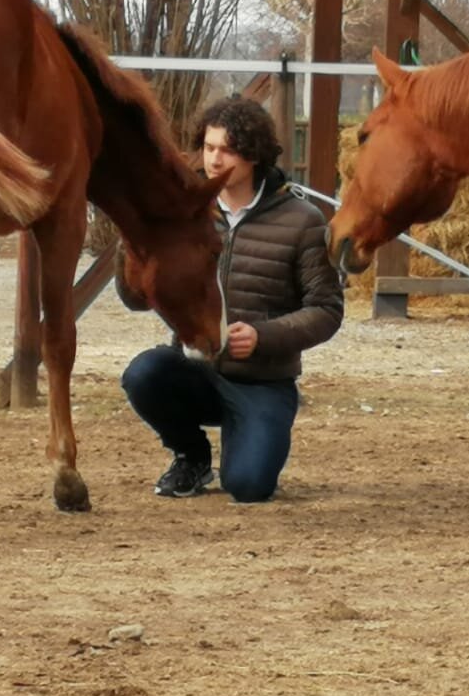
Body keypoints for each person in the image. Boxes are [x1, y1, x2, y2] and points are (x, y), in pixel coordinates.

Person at [119, 95, 342, 503]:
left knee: (248, 487)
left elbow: (327, 310)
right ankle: (191, 455)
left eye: (227, 150)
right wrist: (132, 239)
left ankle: (254, 436)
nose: (214, 160)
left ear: (254, 154)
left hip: (264, 382)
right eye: (208, 148)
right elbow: (134, 300)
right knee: (144, 373)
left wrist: (262, 336)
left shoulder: (303, 220)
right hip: (194, 370)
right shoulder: (183, 213)